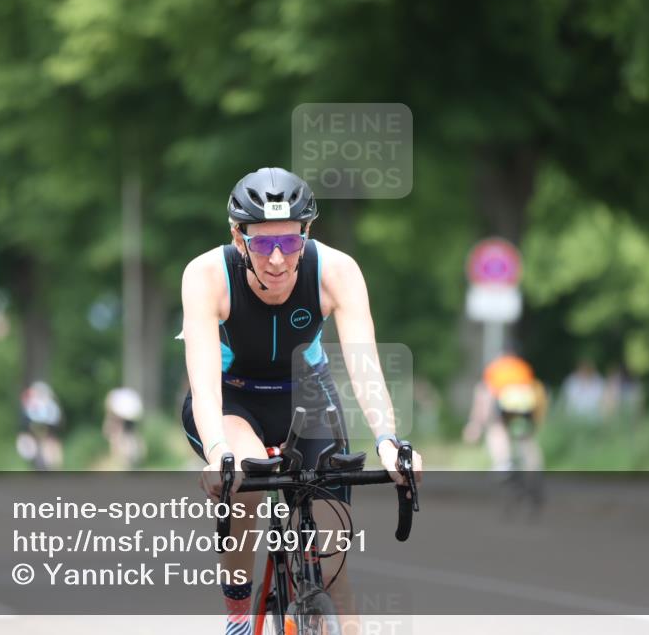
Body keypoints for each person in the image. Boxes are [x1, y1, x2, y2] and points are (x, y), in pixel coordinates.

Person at [179, 167, 422, 634]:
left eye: (290, 242)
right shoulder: (206, 275)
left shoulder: (337, 271)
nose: (276, 259)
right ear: (237, 236)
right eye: (262, 243)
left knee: (333, 563)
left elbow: (365, 366)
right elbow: (205, 383)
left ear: (307, 233)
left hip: (305, 397)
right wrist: (216, 453)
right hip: (232, 399)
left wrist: (389, 441)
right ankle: (238, 618)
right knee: (245, 475)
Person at [464, 354, 547, 473]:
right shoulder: (523, 367)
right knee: (525, 436)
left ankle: (503, 463)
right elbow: (534, 389)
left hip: (505, 401)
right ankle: (534, 467)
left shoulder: (495, 368)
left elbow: (485, 395)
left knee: (496, 429)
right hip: (525, 403)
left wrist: (476, 423)